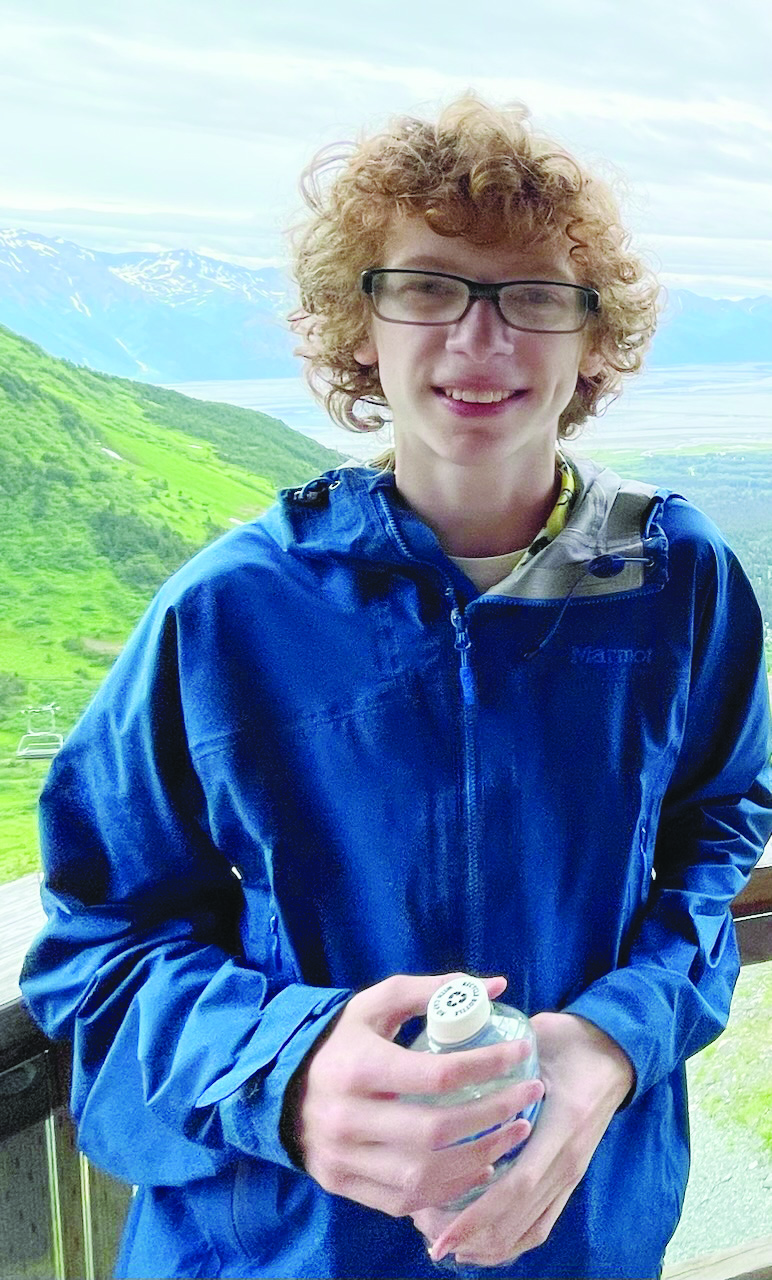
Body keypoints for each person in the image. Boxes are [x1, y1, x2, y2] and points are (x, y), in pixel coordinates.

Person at [21, 96, 771, 1280]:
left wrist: (614, 1039)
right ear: (360, 325)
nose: (481, 340)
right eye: (426, 287)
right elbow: (97, 948)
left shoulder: (674, 580)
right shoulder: (231, 610)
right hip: (276, 1247)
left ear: (592, 339)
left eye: (533, 295)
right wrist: (288, 1070)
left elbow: (717, 831)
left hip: (581, 1232)